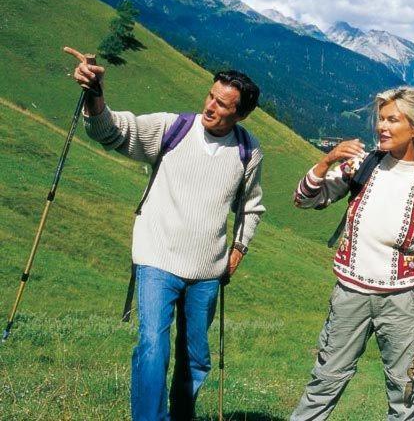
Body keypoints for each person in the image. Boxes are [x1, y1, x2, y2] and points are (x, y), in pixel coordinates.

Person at [65, 46, 265, 421]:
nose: (210, 106)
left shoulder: (247, 150)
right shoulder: (172, 128)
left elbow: (250, 208)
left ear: (240, 113)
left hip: (207, 270)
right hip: (157, 257)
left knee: (195, 359)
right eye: (210, 95)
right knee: (153, 347)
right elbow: (111, 132)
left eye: (222, 104)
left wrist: (238, 249)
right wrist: (94, 93)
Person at [291, 86, 414, 421]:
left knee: (405, 393)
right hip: (350, 295)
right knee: (324, 382)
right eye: (381, 119)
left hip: (403, 305)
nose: (382, 126)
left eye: (393, 120)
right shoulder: (360, 167)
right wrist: (327, 160)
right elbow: (304, 199)